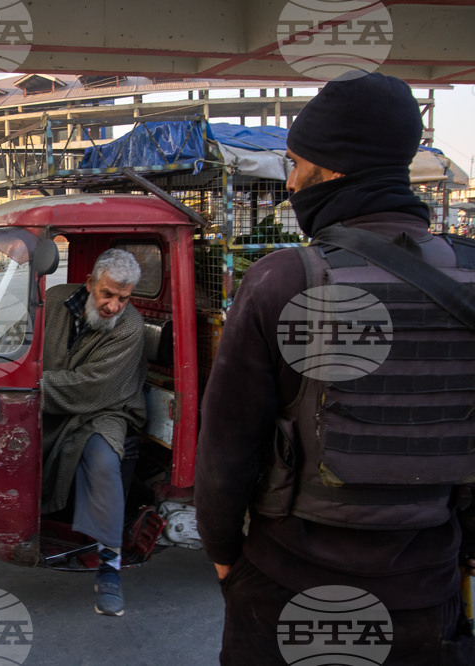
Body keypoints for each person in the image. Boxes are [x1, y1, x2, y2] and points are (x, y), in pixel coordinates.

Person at [195, 73, 475, 665]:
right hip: (425, 595)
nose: (290, 182)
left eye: (296, 164)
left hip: (285, 587)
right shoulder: (469, 281)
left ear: (335, 168)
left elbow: (226, 446)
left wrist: (223, 554)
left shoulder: (281, 280)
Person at [40, 248, 148, 617]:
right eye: (108, 294)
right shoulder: (54, 300)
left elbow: (92, 387)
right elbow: (21, 341)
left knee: (102, 461)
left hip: (106, 407)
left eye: (124, 298)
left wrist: (28, 389)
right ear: (90, 284)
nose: (114, 306)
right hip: (47, 397)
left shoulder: (130, 328)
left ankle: (110, 566)